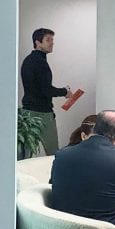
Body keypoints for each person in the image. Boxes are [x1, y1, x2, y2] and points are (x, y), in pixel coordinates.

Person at [20, 27, 71, 155]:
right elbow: (47, 90)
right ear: (38, 43)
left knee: (25, 154)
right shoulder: (40, 63)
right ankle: (54, 175)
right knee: (53, 153)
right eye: (48, 40)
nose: (52, 43)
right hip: (42, 114)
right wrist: (65, 92)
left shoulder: (28, 60)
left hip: (26, 114)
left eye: (52, 40)